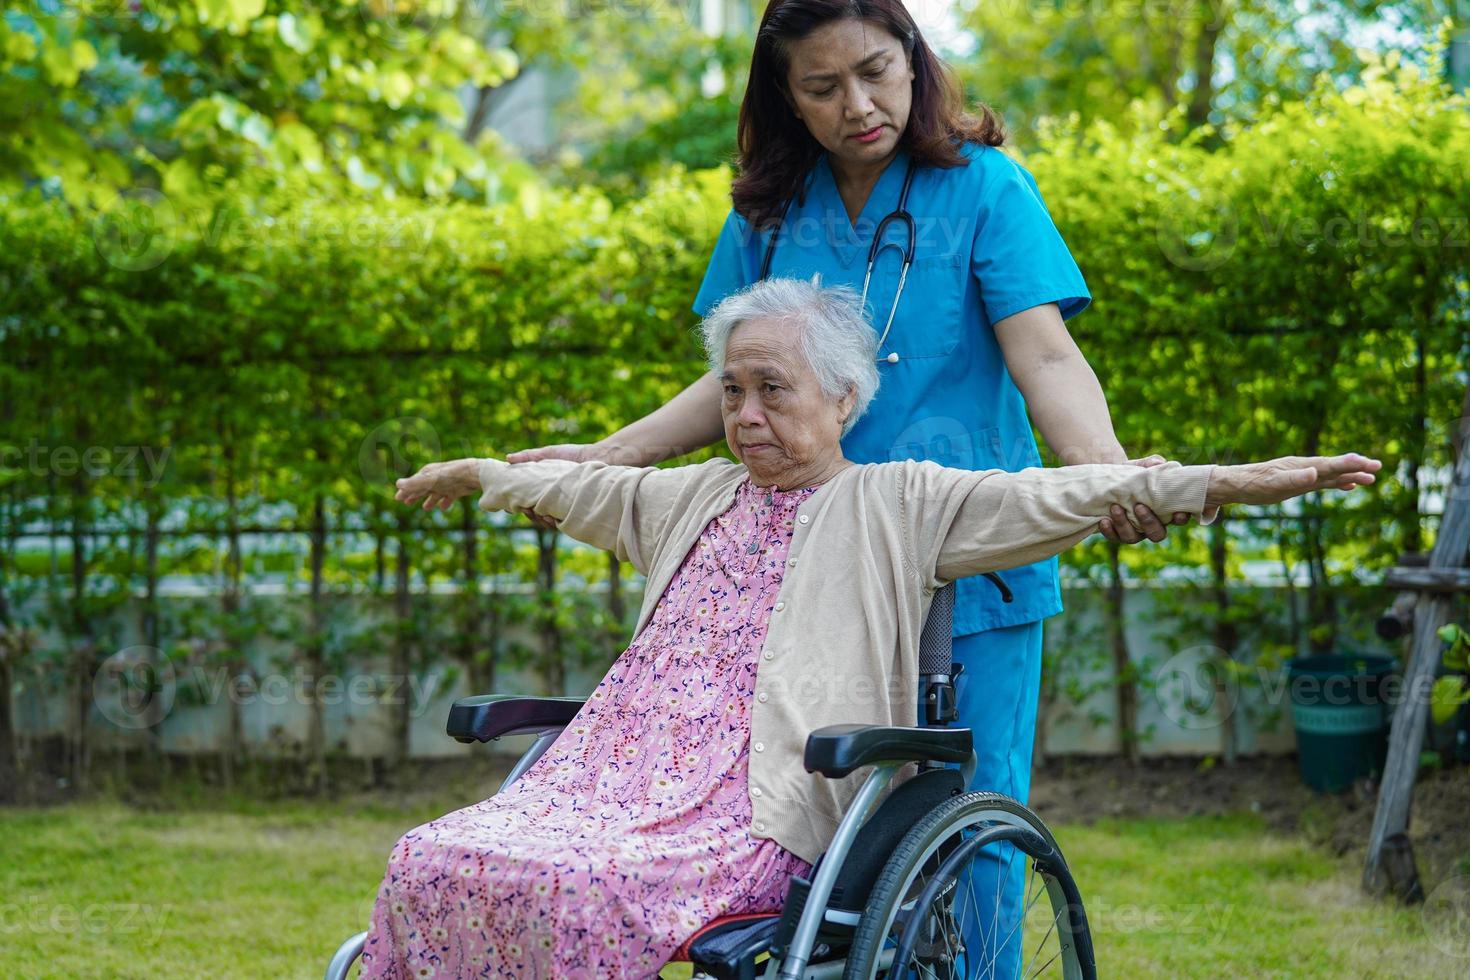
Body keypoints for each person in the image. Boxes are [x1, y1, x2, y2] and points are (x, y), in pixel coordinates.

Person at [362, 278, 1380, 979]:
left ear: (845, 398)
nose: (747, 412)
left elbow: (1067, 492)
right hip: (607, 788)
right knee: (434, 854)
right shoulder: (685, 498)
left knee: (585, 886)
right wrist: (484, 475)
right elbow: (578, 486)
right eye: (732, 389)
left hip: (752, 809)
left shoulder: (903, 500)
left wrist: (1245, 480)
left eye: (774, 387)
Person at [505, 1, 1187, 963]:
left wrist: (1106, 480)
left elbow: (1046, 358)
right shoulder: (769, 215)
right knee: (800, 819)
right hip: (809, 577)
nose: (857, 105)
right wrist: (606, 457)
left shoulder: (988, 189)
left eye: (874, 71)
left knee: (972, 827)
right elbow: (729, 380)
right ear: (785, 98)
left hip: (969, 564)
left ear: (913, 59)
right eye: (821, 87)